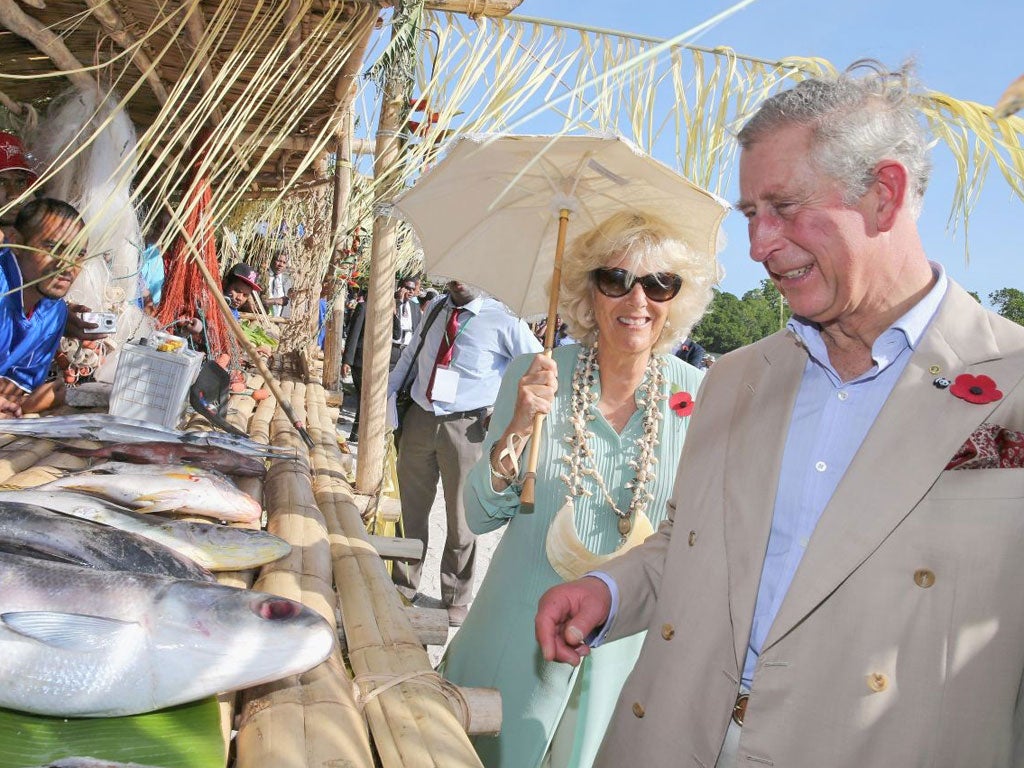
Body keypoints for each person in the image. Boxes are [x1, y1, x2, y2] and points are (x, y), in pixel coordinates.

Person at [535, 63, 1024, 768]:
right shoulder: (734, 380)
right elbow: (688, 543)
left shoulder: (1013, 388)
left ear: (883, 196)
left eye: (785, 208)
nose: (759, 246)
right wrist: (607, 589)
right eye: (750, 216)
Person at [441, 211, 716, 768]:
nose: (637, 299)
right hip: (512, 638)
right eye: (616, 279)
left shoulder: (702, 397)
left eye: (659, 283)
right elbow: (477, 515)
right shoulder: (536, 373)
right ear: (589, 293)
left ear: (678, 299)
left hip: (621, 658)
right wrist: (519, 423)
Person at [388, 279, 541, 625]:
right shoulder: (437, 308)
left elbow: (536, 368)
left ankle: (455, 596)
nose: (459, 280)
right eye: (453, 273)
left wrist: (504, 414)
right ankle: (403, 584)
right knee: (408, 511)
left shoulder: (506, 320)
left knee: (461, 518)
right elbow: (411, 354)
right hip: (421, 418)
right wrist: (388, 396)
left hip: (468, 428)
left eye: (467, 273)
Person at [0, 198, 90, 413]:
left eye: (79, 253)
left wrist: (23, 403)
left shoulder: (54, 313)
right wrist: (28, 405)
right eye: (54, 247)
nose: (68, 266)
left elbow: (15, 389)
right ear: (15, 241)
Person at [343, 277, 423, 442]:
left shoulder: (415, 309)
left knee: (392, 398)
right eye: (407, 288)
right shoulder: (386, 305)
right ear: (399, 288)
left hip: (404, 355)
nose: (410, 292)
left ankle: (383, 435)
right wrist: (347, 360)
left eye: (413, 289)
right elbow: (355, 334)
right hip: (384, 354)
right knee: (371, 395)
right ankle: (358, 434)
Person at [263, 250, 293, 318]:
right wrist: (275, 301)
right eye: (279, 261)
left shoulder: (288, 281)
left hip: (281, 322)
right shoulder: (262, 277)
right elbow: (255, 302)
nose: (281, 265)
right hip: (263, 319)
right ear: (272, 260)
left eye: (284, 262)